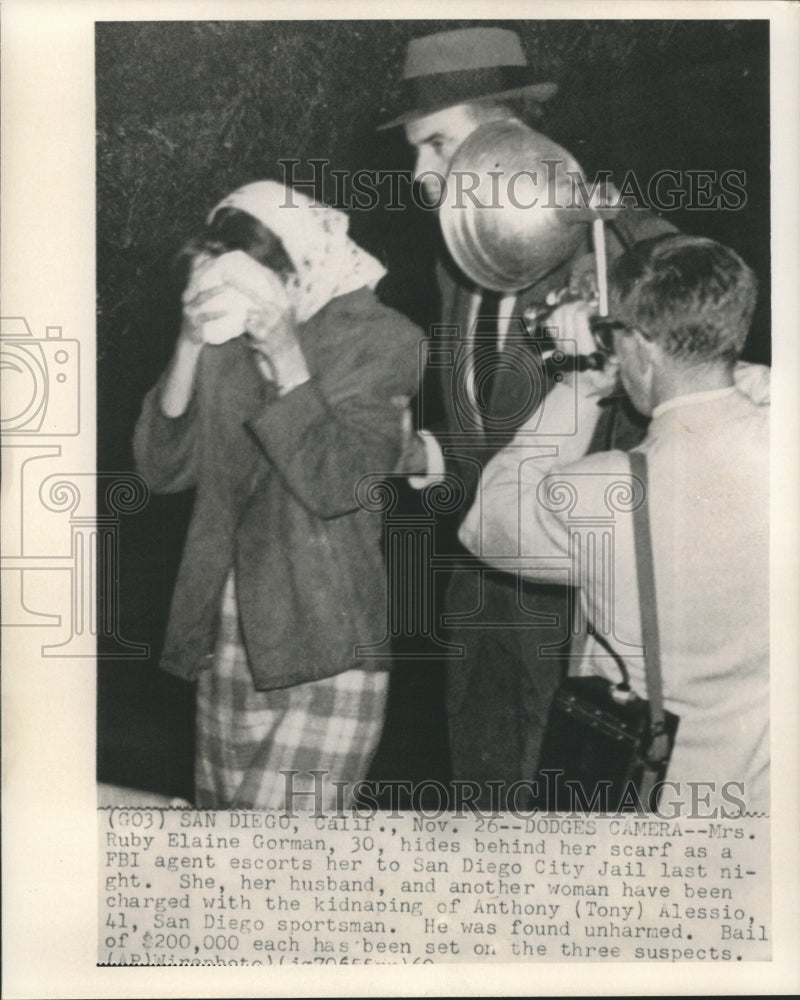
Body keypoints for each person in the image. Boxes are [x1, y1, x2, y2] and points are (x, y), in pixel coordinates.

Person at [379, 26, 675, 807]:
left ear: (504, 135)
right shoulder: (463, 264)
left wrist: (614, 311)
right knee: (483, 804)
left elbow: (698, 312)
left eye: (437, 145)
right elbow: (488, 426)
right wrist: (429, 456)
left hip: (581, 603)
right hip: (480, 593)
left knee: (573, 815)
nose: (420, 173)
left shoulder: (613, 241)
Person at [133, 180, 421, 810]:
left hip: (326, 639)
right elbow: (161, 468)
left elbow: (345, 485)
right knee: (222, 876)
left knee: (269, 866)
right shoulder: (226, 340)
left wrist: (286, 354)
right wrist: (187, 339)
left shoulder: (382, 338)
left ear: (301, 269)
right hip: (226, 636)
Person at [460, 234, 770, 812]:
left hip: (657, 806)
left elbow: (489, 518)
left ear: (646, 350)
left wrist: (577, 388)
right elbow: (749, 381)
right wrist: (688, 350)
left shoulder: (604, 493)